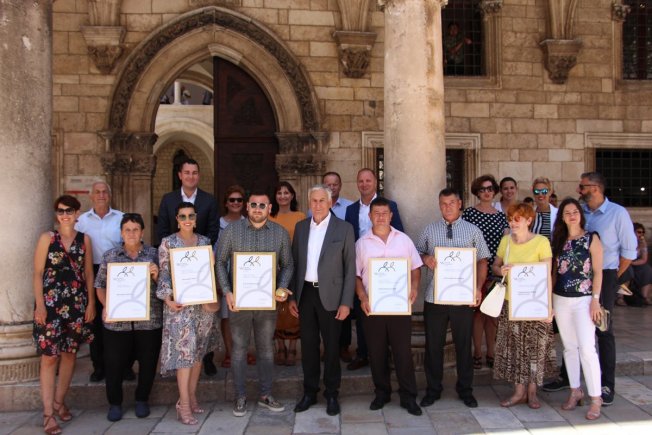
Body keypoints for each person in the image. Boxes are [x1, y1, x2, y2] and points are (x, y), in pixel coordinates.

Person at [216, 191, 294, 417]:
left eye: (262, 205)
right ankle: (240, 396)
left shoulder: (279, 233)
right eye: (254, 204)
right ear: (247, 207)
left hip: (267, 302)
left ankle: (266, 394)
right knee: (239, 349)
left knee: (266, 349)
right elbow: (220, 262)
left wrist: (282, 287)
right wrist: (227, 291)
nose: (257, 208)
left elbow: (288, 264)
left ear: (269, 208)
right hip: (239, 303)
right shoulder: (232, 231)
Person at [416, 188, 490, 410]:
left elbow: (482, 261)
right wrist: (425, 258)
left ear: (460, 204)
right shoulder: (429, 229)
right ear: (439, 205)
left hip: (462, 298)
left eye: (451, 203)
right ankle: (433, 389)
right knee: (433, 346)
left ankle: (465, 390)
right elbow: (416, 254)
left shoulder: (473, 230)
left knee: (463, 345)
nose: (447, 207)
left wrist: (478, 288)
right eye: (443, 203)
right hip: (435, 298)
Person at [289, 185, 356, 416]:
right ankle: (309, 392)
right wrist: (292, 296)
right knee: (308, 346)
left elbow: (350, 268)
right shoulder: (301, 228)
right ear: (309, 203)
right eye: (314, 201)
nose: (317, 205)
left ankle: (332, 394)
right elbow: (295, 263)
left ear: (329, 203)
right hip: (306, 294)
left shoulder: (344, 228)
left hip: (332, 296)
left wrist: (346, 302)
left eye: (321, 201)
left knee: (332, 347)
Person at [572, 172, 636, 405]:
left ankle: (606, 384)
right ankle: (569, 379)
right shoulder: (580, 212)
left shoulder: (617, 213)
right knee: (575, 329)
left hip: (606, 274)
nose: (579, 190)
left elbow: (629, 253)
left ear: (595, 188)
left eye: (582, 187)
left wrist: (612, 279)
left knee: (603, 329)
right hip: (578, 276)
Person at [33, 195, 95, 435]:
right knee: (49, 357)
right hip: (51, 304)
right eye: (60, 211)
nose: (65, 215)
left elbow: (88, 273)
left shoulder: (84, 240)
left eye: (69, 210)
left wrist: (91, 304)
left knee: (70, 354)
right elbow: (38, 273)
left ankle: (59, 402)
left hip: (76, 303)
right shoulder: (47, 239)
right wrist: (40, 305)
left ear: (77, 213)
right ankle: (48, 413)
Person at [355, 197, 423, 415]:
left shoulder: (404, 240)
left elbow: (415, 268)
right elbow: (356, 276)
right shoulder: (361, 243)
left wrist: (414, 287)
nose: (381, 217)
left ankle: (408, 396)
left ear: (391, 215)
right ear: (370, 216)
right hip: (372, 307)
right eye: (377, 213)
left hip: (399, 307)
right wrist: (362, 297)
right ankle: (382, 393)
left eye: (385, 213)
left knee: (403, 352)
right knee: (376, 353)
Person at [94, 213, 162, 422]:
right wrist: (107, 306)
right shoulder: (110, 256)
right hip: (118, 321)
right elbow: (100, 286)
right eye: (127, 230)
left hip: (149, 320)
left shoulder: (155, 255)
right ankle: (115, 403)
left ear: (142, 232)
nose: (131, 234)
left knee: (148, 362)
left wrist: (157, 276)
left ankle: (142, 399)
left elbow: (167, 287)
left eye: (135, 230)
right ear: (121, 233)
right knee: (114, 363)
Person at [157, 202, 218, 425]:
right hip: (180, 306)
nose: (187, 220)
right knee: (184, 354)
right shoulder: (168, 243)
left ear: (196, 218)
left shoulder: (205, 242)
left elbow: (209, 273)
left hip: (202, 305)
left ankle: (191, 396)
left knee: (198, 353)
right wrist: (167, 299)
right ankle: (183, 404)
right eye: (182, 216)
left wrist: (211, 267)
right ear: (177, 219)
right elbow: (164, 274)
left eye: (191, 215)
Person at [491, 203, 555, 410]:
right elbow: (495, 266)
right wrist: (501, 270)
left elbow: (547, 276)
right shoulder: (506, 241)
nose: (513, 223)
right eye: (510, 219)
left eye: (517, 219)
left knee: (535, 348)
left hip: (535, 303)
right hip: (511, 303)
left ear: (529, 220)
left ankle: (532, 392)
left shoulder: (541, 242)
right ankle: (519, 392)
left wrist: (548, 306)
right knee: (515, 348)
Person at [343, 168, 404, 370]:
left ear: (375, 182)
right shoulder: (351, 209)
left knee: (387, 311)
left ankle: (385, 355)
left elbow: (399, 233)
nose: (364, 184)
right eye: (361, 181)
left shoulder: (389, 206)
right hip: (361, 265)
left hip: (385, 267)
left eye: (368, 180)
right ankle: (363, 354)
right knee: (363, 310)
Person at [551, 198, 603, 420]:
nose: (572, 215)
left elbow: (598, 272)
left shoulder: (591, 238)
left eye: (575, 212)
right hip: (561, 298)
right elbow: (554, 273)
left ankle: (596, 398)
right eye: (567, 212)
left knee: (587, 348)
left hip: (584, 299)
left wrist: (595, 300)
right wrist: (548, 301)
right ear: (562, 217)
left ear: (580, 215)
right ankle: (575, 390)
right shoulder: (558, 240)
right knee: (569, 347)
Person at [75, 181, 124, 383]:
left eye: (105, 192)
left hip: (118, 272)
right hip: (92, 271)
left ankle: (124, 366)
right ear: (91, 196)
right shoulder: (82, 221)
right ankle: (99, 366)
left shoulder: (120, 218)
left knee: (121, 319)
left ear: (109, 195)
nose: (101, 195)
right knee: (95, 321)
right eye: (97, 192)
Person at [462, 175, 508, 370]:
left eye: (490, 188)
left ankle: (491, 352)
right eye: (482, 189)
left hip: (496, 270)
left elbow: (506, 244)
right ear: (477, 192)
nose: (487, 192)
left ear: (494, 191)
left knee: (493, 314)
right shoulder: (469, 214)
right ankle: (477, 353)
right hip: (476, 270)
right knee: (478, 314)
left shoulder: (501, 216)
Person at [208, 185, 247, 371]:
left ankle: (243, 352)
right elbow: (213, 252)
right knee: (226, 316)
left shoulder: (249, 223)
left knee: (244, 317)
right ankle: (231, 353)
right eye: (232, 200)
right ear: (226, 203)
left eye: (239, 200)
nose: (236, 203)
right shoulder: (218, 224)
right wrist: (217, 278)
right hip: (225, 274)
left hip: (246, 275)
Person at [269, 181, 306, 366]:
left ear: (292, 195)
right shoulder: (269, 217)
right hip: (273, 268)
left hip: (294, 266)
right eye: (279, 193)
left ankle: (292, 347)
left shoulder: (300, 216)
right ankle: (280, 346)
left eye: (286, 192)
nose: (282, 196)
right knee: (276, 307)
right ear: (275, 196)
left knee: (292, 307)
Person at [157, 158, 220, 246]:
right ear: (180, 175)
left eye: (194, 173)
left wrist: (197, 249)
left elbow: (213, 231)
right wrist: (175, 248)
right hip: (173, 251)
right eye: (187, 173)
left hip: (201, 251)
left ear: (199, 176)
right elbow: (162, 230)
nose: (191, 177)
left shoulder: (210, 200)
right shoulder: (168, 200)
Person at [627, 223, 652, 304]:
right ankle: (620, 297)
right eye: (639, 232)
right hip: (625, 262)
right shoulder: (627, 241)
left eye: (642, 232)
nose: (641, 235)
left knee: (647, 270)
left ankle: (644, 297)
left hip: (634, 263)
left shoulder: (642, 243)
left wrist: (633, 263)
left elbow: (644, 259)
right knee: (627, 271)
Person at [531, 177, 558, 241]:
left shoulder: (558, 214)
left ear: (550, 192)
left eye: (544, 191)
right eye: (537, 191)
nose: (540, 194)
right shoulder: (529, 214)